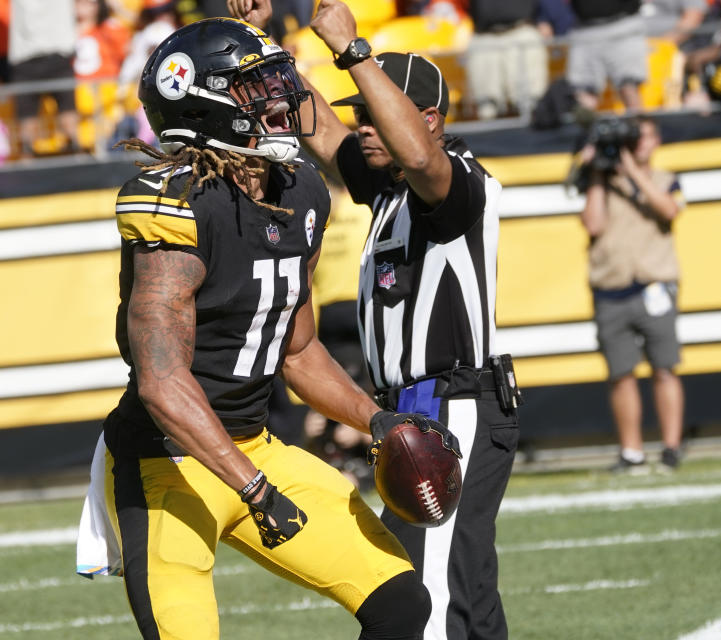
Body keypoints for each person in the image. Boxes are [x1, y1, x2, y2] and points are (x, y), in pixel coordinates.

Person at [77, 16, 462, 639]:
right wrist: (253, 490)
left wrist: (375, 419)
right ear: (206, 104)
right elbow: (162, 381)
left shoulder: (301, 190)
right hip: (166, 463)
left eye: (277, 79)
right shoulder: (173, 203)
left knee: (400, 601)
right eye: (256, 87)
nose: (282, 96)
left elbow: (298, 350)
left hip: (255, 445)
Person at [230, 2, 522, 639]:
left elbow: (421, 160)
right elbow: (320, 129)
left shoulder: (459, 179)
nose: (362, 126)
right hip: (410, 409)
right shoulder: (387, 190)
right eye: (360, 113)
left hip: (456, 403)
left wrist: (354, 52)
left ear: (431, 119)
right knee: (457, 588)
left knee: (433, 597)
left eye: (375, 112)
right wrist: (263, 38)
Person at [578, 116, 685, 473]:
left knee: (664, 369)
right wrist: (596, 171)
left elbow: (669, 209)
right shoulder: (602, 182)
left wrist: (631, 171)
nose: (638, 142)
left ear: (656, 141)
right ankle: (632, 452)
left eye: (645, 136)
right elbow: (593, 224)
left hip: (655, 285)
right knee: (621, 374)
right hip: (611, 289)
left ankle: (671, 448)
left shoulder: (666, 180)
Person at [8, 0, 80, 156]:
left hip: (57, 55)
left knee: (70, 129)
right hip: (26, 59)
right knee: (27, 136)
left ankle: (80, 174)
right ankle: (27, 177)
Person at [465, 0, 549, 119]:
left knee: (530, 103)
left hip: (520, 31)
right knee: (487, 107)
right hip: (484, 36)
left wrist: (544, 18)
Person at [567, 0, 648, 112]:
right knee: (584, 94)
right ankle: (585, 128)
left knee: (629, 88)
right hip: (585, 31)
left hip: (624, 27)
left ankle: (640, 127)